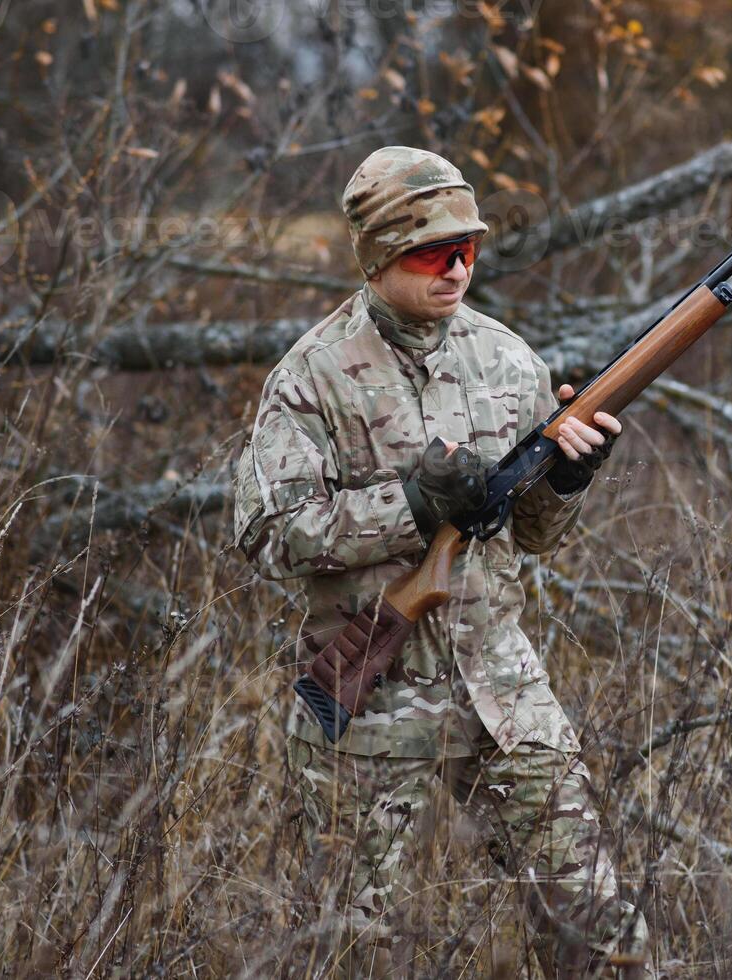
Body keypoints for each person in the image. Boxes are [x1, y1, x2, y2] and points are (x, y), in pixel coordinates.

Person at [232, 146, 650, 978]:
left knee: (604, 938)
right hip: (373, 703)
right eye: (432, 250)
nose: (457, 267)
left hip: (506, 693)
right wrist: (412, 504)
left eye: (470, 247)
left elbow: (531, 536)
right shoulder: (311, 379)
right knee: (357, 950)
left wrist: (566, 478)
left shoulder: (507, 360)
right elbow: (268, 535)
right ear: (380, 257)